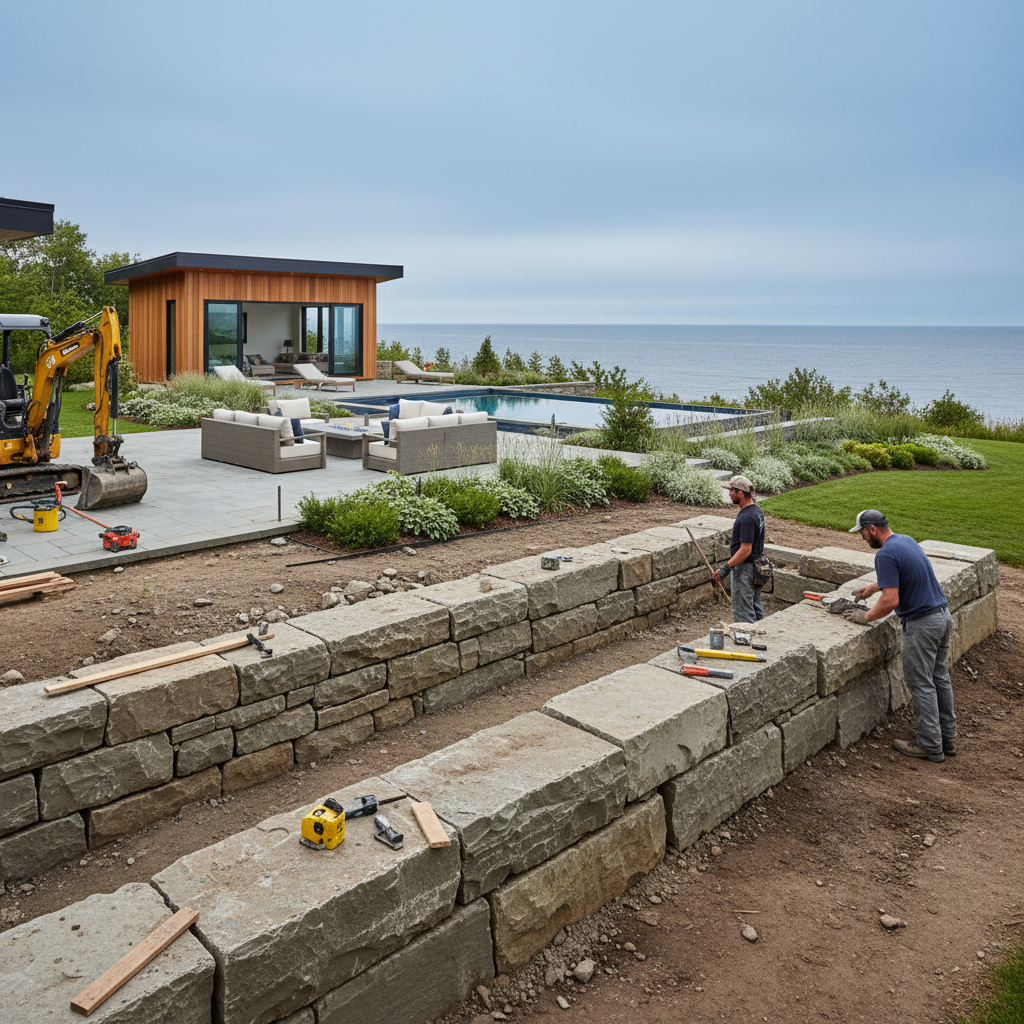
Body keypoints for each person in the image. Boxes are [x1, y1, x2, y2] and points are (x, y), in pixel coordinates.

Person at [843, 509, 955, 764]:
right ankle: (946, 739)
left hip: (922, 624)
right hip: (942, 617)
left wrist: (866, 617)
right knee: (939, 679)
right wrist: (874, 587)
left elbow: (891, 600)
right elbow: (906, 574)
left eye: (861, 532)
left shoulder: (884, 553)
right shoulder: (905, 540)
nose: (862, 538)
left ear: (872, 529)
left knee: (921, 684)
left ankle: (929, 744)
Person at [712, 475, 766, 623]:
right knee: (755, 608)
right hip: (756, 567)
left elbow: (745, 549)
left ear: (741, 493)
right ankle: (761, 641)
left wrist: (725, 569)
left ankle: (747, 644)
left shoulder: (746, 517)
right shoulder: (757, 511)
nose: (729, 494)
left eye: (732, 491)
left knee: (744, 613)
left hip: (745, 570)